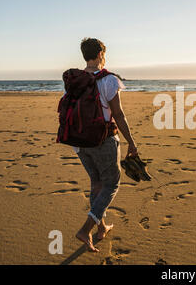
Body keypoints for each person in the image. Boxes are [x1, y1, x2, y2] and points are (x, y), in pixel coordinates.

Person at [74, 38, 138, 252]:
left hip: (79, 141)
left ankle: (101, 229)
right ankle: (85, 229)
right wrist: (131, 141)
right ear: (101, 54)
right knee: (112, 184)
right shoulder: (109, 80)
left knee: (96, 183)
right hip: (102, 140)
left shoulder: (75, 79)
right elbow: (118, 114)